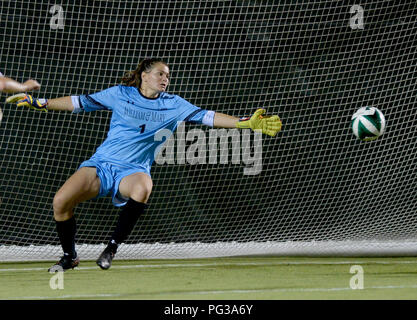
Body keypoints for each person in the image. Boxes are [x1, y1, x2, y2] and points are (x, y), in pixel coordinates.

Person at [6, 58, 282, 272]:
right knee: (60, 203)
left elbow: (208, 117)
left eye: (168, 75)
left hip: (133, 170)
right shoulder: (120, 94)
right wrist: (40, 102)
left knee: (143, 187)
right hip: (102, 165)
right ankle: (70, 256)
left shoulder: (174, 104)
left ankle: (111, 249)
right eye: (160, 73)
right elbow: (79, 102)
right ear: (144, 75)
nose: (165, 79)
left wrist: (245, 122)